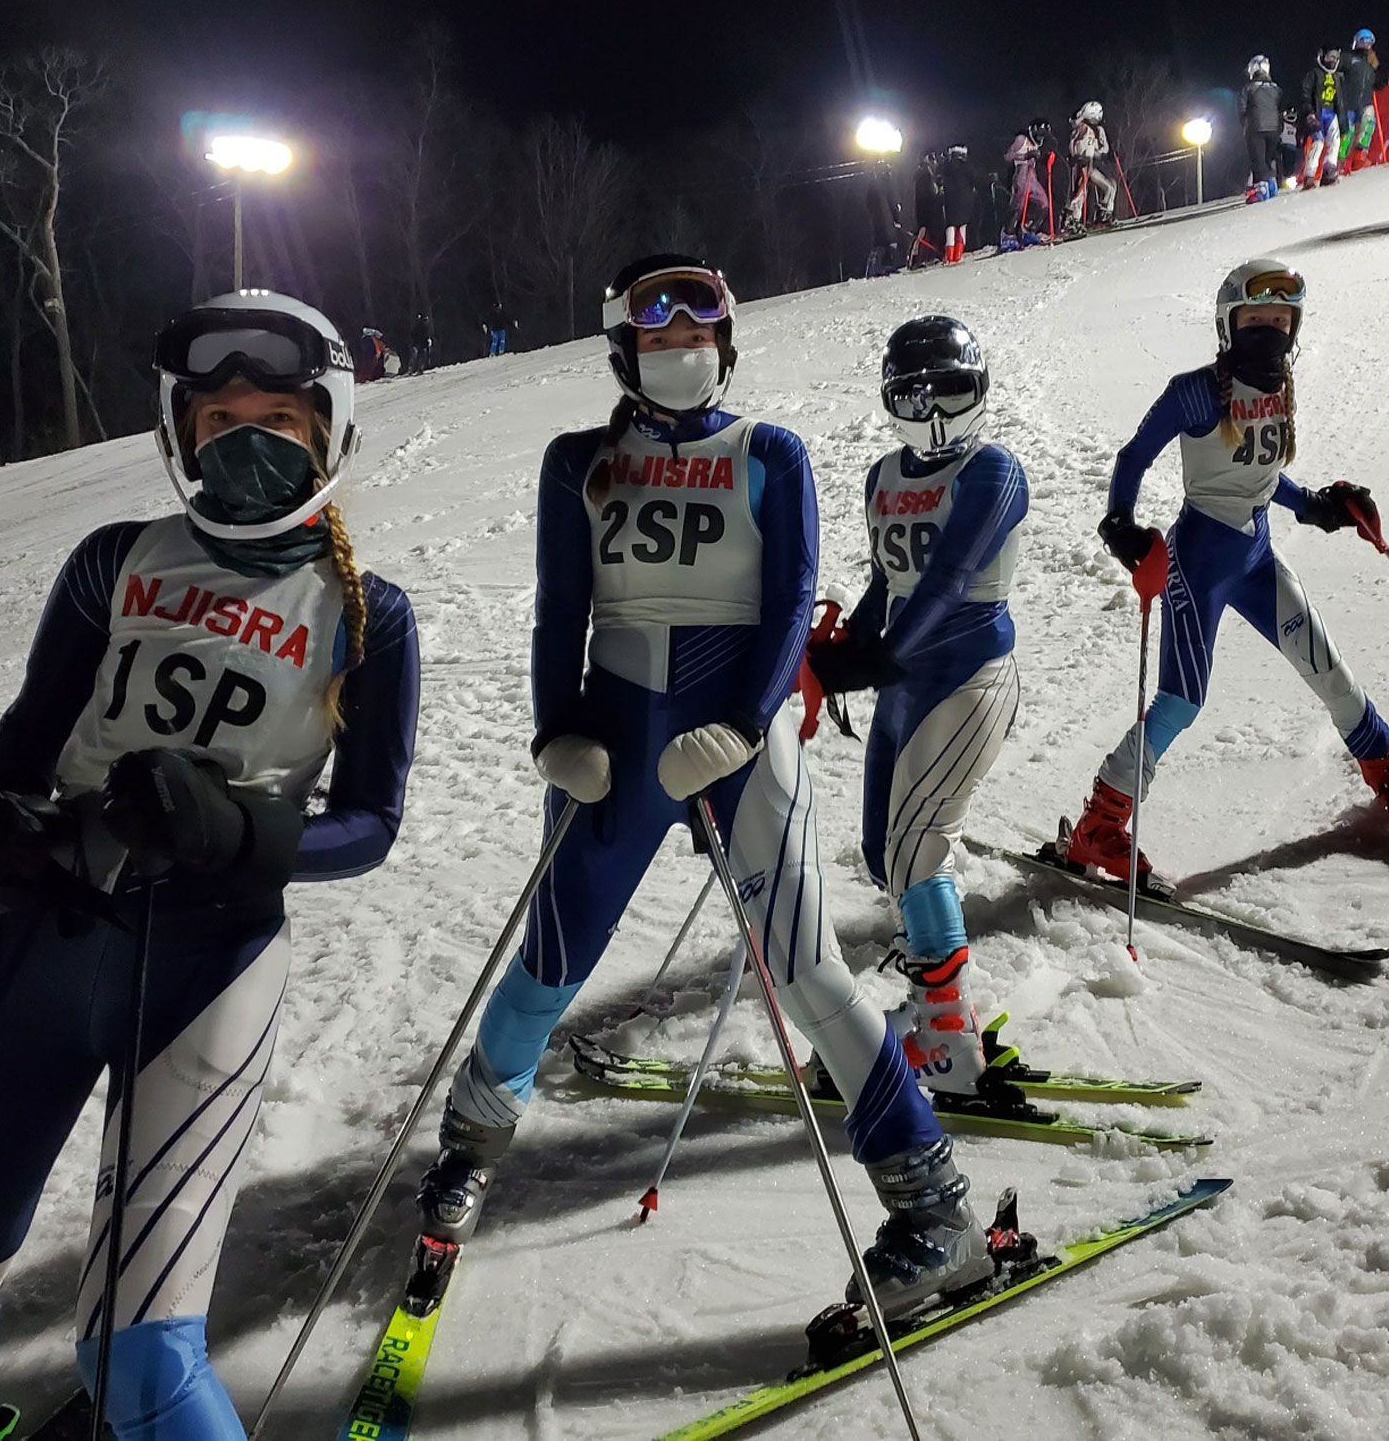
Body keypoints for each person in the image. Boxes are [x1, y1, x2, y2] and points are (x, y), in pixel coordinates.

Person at [0, 290, 420, 1440]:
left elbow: (369, 825)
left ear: (329, 429)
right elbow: (23, 747)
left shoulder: (369, 614)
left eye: (279, 418)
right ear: (179, 434)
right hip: (43, 941)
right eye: (220, 421)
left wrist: (240, 833)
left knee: (142, 1361)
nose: (249, 441)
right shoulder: (112, 562)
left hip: (210, 963)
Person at [417, 255, 1004, 1321]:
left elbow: (790, 603)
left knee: (810, 973)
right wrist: (556, 730)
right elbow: (559, 609)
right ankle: (469, 1147)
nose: (681, 348)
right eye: (658, 335)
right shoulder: (577, 461)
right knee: (550, 960)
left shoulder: (769, 453)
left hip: (739, 738)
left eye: (698, 334)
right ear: (624, 350)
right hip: (610, 745)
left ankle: (934, 1212)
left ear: (723, 346)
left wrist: (742, 720)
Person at [1060, 260, 1389, 885]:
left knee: (1330, 672)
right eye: (1255, 320)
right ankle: (1099, 826)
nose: (1269, 333)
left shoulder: (1279, 390)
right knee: (1180, 702)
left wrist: (1316, 506)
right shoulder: (1194, 392)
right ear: (1229, 325)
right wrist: (1120, 524)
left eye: (1280, 322)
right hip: (1198, 561)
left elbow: (1257, 473)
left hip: (1255, 556)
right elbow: (1133, 457)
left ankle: (1384, 772)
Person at [806, 317, 1027, 1097]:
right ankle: (939, 1001)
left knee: (918, 849)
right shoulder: (881, 478)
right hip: (905, 682)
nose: (933, 412)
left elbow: (949, 580)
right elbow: (889, 583)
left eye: (951, 391)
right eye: (914, 396)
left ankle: (946, 1036)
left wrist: (876, 655)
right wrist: (838, 653)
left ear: (980, 390)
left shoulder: (994, 470)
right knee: (883, 852)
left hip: (967, 676)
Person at [1063, 103, 1116, 234]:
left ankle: (1103, 215)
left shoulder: (1092, 129)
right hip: (1082, 165)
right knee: (1080, 193)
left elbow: (1096, 148)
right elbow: (1074, 144)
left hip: (1089, 164)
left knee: (1109, 186)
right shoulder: (1082, 128)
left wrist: (1101, 153)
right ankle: (1071, 221)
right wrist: (1076, 157)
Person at [1000, 118, 1051, 250]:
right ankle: (1007, 235)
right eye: (1039, 135)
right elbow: (1008, 156)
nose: (1040, 138)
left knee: (1044, 203)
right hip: (1021, 174)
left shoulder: (1036, 144)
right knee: (1018, 205)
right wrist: (1025, 156)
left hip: (1031, 176)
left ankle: (1028, 231)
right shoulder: (1021, 139)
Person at [1300, 47, 1346, 186]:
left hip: (1331, 113)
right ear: (1322, 57)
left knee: (1335, 141)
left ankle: (1329, 171)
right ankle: (1309, 175)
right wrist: (1309, 112)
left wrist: (1343, 120)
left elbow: (1340, 99)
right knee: (1318, 143)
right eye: (1330, 57)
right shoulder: (1314, 74)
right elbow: (1305, 93)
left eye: (1335, 57)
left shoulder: (1337, 76)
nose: (1332, 60)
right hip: (1318, 113)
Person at [1241, 57, 1283, 201]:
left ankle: (1261, 191)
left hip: (1256, 128)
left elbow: (1241, 109)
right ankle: (1272, 186)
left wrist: (1244, 125)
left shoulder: (1249, 88)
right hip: (1274, 129)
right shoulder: (1276, 88)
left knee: (1258, 160)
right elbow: (1280, 108)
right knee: (1267, 159)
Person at [1340, 30, 1380, 173]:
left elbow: (1376, 82)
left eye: (1369, 42)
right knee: (1348, 132)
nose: (1366, 45)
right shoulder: (1348, 58)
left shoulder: (1370, 62)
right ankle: (1341, 161)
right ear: (1356, 42)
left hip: (1365, 101)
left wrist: (1380, 76)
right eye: (1363, 41)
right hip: (1348, 102)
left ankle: (1360, 155)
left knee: (1369, 121)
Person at [864, 163, 904, 276]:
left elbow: (868, 202)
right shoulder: (887, 184)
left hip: (877, 221)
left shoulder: (872, 185)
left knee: (879, 244)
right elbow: (892, 203)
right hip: (888, 220)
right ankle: (887, 265)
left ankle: (874, 267)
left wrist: (874, 215)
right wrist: (897, 219)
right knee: (891, 242)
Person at [941, 145, 978, 261]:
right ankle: (958, 255)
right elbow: (975, 180)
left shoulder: (946, 167)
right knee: (962, 226)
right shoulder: (967, 167)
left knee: (950, 226)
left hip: (950, 200)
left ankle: (949, 255)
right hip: (965, 200)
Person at [912, 151, 945, 268]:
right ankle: (919, 258)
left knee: (924, 233)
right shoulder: (925, 175)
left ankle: (921, 257)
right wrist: (938, 193)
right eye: (933, 159)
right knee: (925, 233)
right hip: (927, 210)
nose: (935, 162)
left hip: (926, 209)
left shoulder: (926, 174)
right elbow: (929, 193)